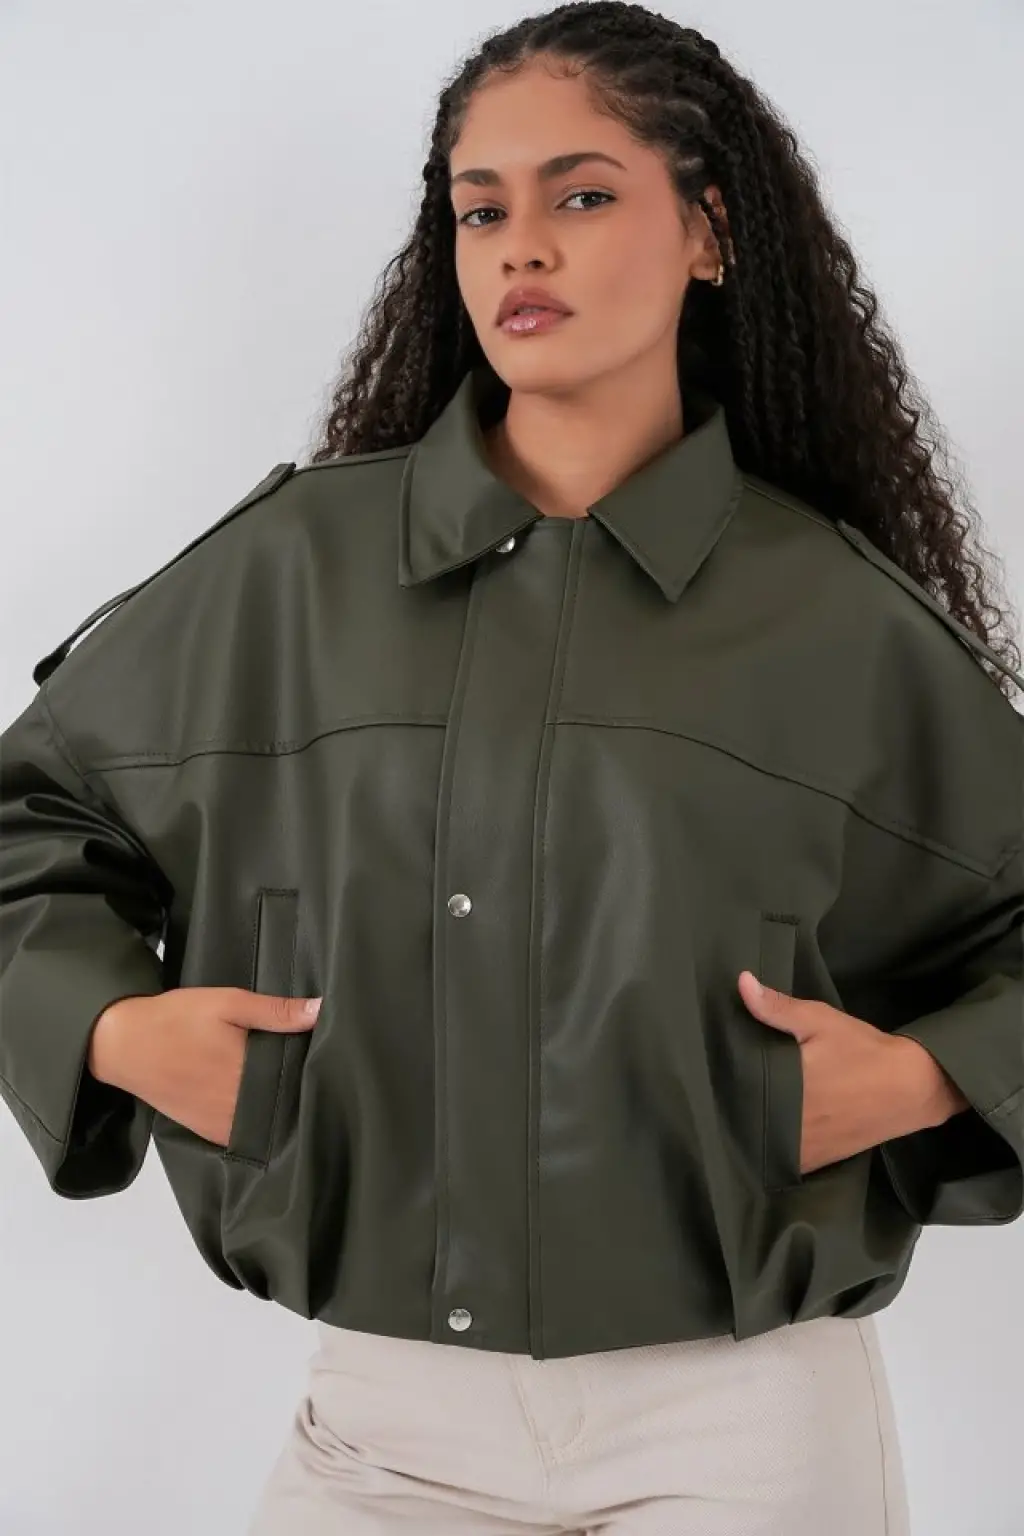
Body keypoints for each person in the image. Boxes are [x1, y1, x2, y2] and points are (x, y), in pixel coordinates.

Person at [2, 4, 1022, 1533]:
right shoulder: (293, 571)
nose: (520, 247)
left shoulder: (840, 621)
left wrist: (922, 1075)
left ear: (709, 233)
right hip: (382, 1424)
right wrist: (113, 1029)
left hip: (743, 1422)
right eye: (481, 211)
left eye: (583, 194)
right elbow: (29, 821)